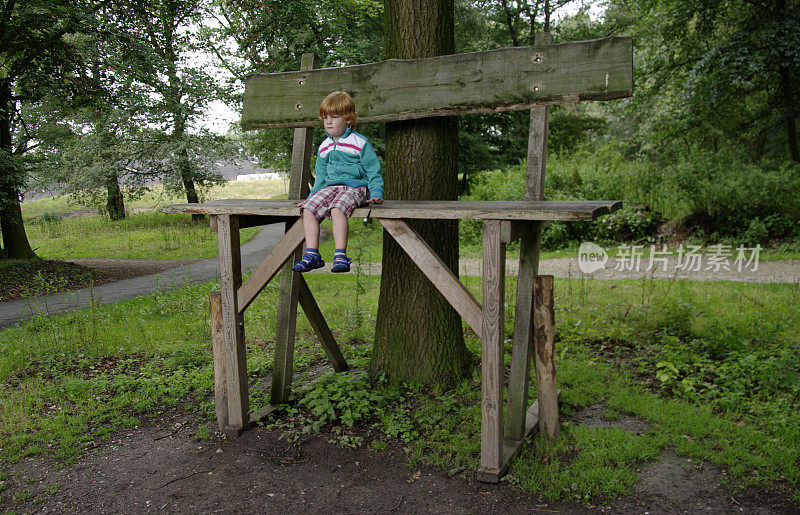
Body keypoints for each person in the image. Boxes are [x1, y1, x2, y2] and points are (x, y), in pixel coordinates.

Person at [292, 91, 384, 273]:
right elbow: (321, 176)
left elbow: (373, 170)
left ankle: (340, 255)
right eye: (325, 117)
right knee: (308, 210)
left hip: (354, 187)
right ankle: (312, 255)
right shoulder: (324, 146)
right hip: (330, 188)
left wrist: (376, 192)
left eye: (334, 117)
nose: (328, 121)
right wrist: (311, 197)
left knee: (337, 209)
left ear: (348, 119)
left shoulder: (359, 143)